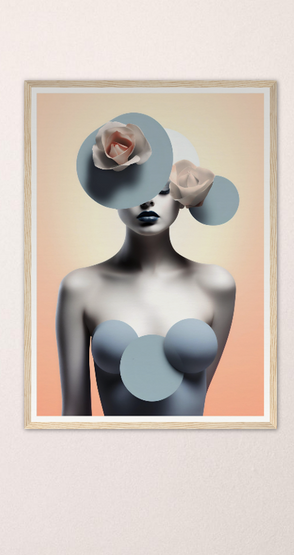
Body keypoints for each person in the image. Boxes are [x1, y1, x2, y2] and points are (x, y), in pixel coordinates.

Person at [55, 112, 240, 417]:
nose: (148, 202)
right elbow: (74, 411)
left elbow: (199, 398)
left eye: (164, 190)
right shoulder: (81, 288)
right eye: (137, 190)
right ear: (111, 196)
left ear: (183, 196)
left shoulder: (216, 285)